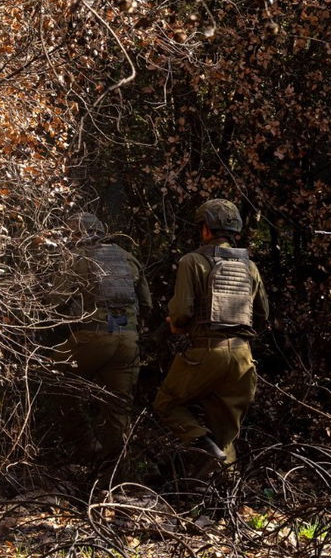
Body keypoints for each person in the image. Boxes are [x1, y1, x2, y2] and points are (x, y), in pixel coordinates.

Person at [153, 198, 269, 471]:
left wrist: (177, 323)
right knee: (226, 432)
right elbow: (262, 316)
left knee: (166, 404)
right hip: (243, 357)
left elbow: (181, 313)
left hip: (205, 351)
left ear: (205, 229)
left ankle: (204, 444)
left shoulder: (192, 261)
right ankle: (222, 501)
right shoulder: (250, 267)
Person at [49, 211, 151, 464]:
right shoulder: (128, 258)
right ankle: (113, 473)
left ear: (76, 234)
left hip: (92, 338)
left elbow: (53, 303)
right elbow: (147, 305)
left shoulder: (78, 260)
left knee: (52, 378)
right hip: (127, 340)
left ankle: (87, 446)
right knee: (119, 407)